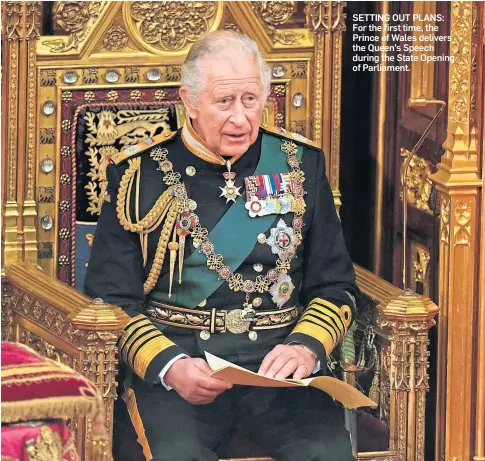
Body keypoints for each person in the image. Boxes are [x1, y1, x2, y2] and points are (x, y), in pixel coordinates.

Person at [84, 30, 359, 461]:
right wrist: (171, 367)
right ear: (189, 101)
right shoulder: (138, 176)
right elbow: (110, 298)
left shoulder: (299, 164)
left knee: (327, 454)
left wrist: (305, 346)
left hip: (278, 371)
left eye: (250, 100)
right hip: (182, 370)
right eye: (223, 102)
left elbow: (335, 284)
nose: (240, 119)